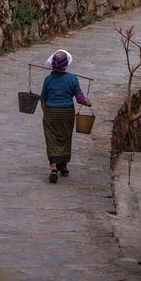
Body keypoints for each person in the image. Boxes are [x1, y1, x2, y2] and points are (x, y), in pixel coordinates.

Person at [40, 49, 91, 183]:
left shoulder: (48, 80)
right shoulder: (73, 79)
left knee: (51, 139)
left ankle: (54, 167)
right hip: (67, 112)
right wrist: (88, 102)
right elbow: (80, 98)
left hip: (51, 112)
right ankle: (64, 166)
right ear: (66, 65)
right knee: (65, 137)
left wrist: (46, 114)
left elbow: (43, 100)